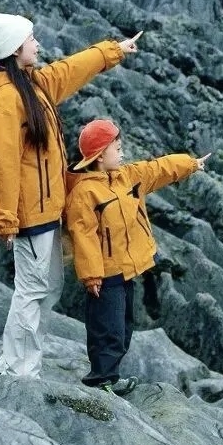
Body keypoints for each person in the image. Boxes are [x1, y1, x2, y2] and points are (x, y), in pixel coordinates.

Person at [0, 12, 141, 378]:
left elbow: (69, 70)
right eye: (31, 39)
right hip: (30, 216)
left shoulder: (31, 85)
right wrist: (3, 217)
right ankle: (16, 370)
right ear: (16, 49)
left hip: (48, 212)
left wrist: (114, 50)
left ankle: (20, 364)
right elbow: (1, 162)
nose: (37, 44)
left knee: (48, 289)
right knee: (32, 290)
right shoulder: (6, 99)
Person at [65, 118, 209, 394]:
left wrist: (190, 164)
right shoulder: (84, 192)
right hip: (104, 275)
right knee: (107, 328)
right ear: (99, 155)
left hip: (125, 270)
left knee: (123, 326)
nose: (122, 154)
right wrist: (92, 276)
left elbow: (158, 169)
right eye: (117, 149)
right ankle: (101, 380)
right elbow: (83, 237)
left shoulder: (127, 177)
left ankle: (109, 376)